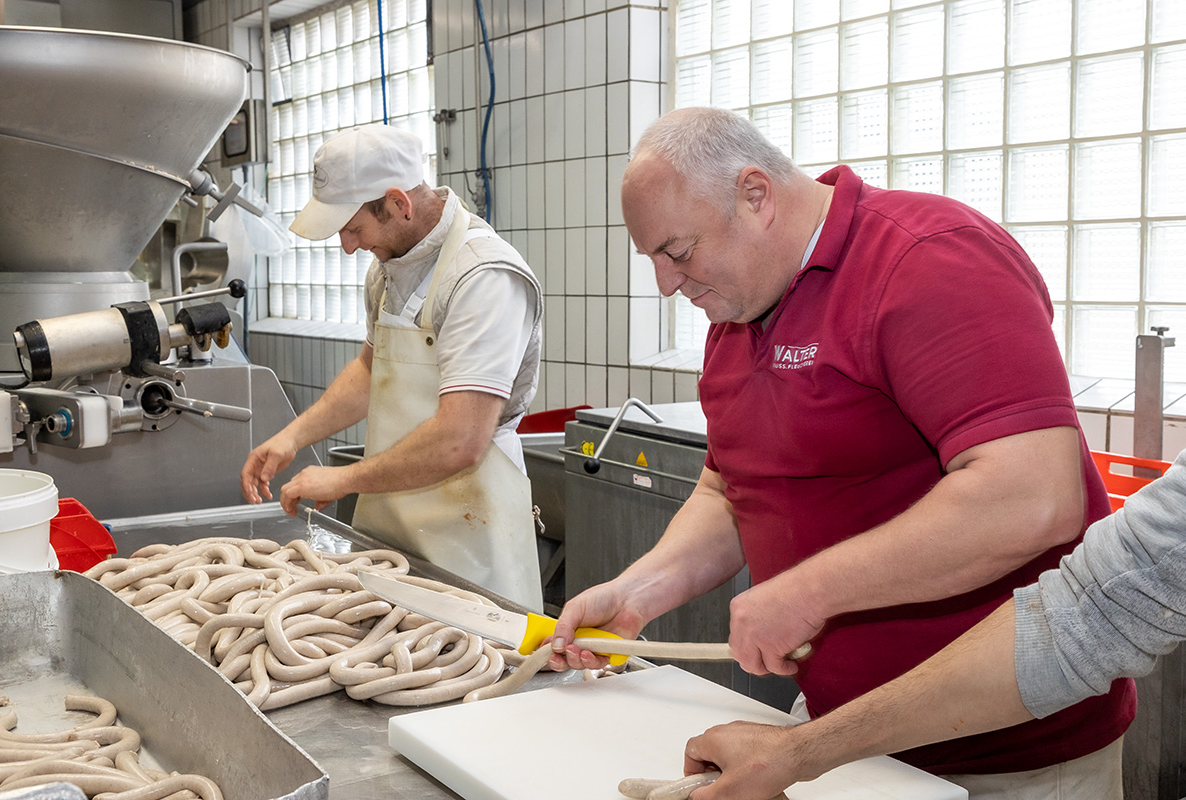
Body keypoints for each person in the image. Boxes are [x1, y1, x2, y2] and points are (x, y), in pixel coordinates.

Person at [549, 106, 1133, 797]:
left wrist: (809, 591)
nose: (667, 285)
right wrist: (637, 593)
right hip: (834, 738)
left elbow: (1033, 497)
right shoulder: (735, 313)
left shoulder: (930, 261)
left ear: (755, 194)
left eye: (677, 252)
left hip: (1006, 758)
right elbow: (728, 492)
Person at [682, 449, 1186, 800]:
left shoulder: (951, 300)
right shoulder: (735, 331)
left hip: (1009, 758)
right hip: (844, 740)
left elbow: (1082, 583)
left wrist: (800, 749)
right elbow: (1098, 605)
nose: (668, 287)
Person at [240, 124, 545, 611]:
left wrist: (341, 480)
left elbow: (461, 440)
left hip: (471, 531)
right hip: (395, 524)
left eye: (354, 228)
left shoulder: (482, 278)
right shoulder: (388, 271)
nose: (347, 246)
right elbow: (371, 369)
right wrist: (294, 437)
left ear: (400, 203)